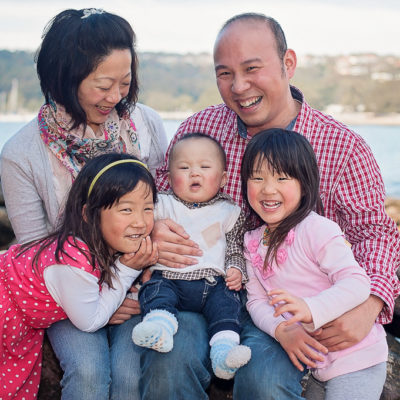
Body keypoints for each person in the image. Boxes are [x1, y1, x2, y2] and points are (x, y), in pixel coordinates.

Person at [148, 12, 400, 400]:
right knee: (168, 361)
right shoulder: (199, 132)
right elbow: (155, 197)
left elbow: (375, 232)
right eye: (224, 73)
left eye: (252, 68)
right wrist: (153, 233)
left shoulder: (343, 146)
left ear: (288, 63)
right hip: (202, 293)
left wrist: (370, 304)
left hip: (289, 305)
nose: (239, 86)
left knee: (265, 381)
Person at [0, 8, 167, 400]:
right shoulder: (21, 154)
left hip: (138, 278)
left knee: (129, 377)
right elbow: (36, 254)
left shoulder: (145, 124)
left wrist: (129, 288)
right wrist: (105, 294)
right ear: (65, 78)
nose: (116, 97)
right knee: (90, 375)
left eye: (124, 83)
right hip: (67, 290)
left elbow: (159, 205)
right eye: (103, 85)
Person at [242, 128, 387, 400]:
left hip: (357, 357)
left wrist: (311, 308)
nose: (267, 189)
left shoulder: (318, 229)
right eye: (257, 177)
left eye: (282, 178)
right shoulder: (252, 242)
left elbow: (357, 283)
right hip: (318, 362)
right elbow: (256, 301)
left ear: (305, 183)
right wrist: (281, 330)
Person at [0, 153, 157, 400]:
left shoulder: (96, 243)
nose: (140, 221)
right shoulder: (74, 261)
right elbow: (90, 321)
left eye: (148, 209)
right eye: (126, 209)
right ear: (88, 214)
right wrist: (128, 269)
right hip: (6, 310)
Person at [132, 133, 251, 379]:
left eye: (204, 167)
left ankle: (223, 353)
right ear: (168, 177)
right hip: (169, 277)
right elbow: (135, 230)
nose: (194, 173)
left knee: (228, 305)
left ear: (223, 179)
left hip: (213, 283)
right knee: (155, 291)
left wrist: (236, 269)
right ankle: (160, 328)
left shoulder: (228, 212)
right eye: (184, 168)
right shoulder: (161, 205)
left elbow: (235, 248)